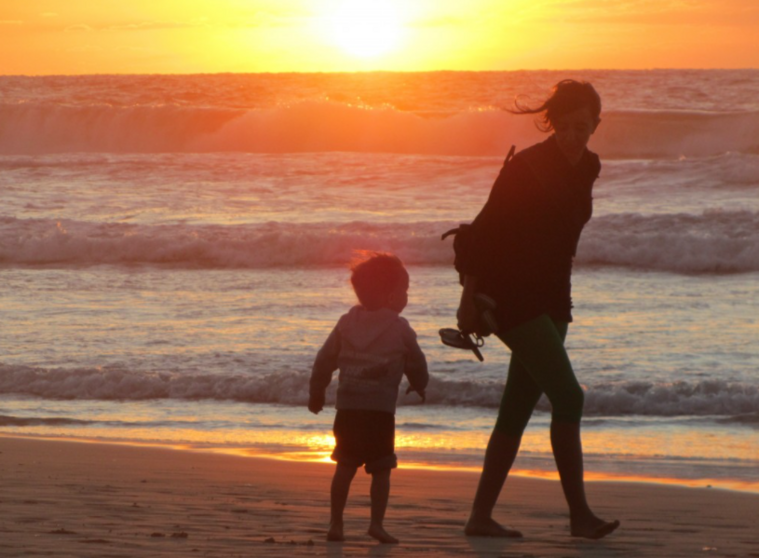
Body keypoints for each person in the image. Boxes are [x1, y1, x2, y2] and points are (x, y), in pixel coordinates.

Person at [458, 80, 620, 540]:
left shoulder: (589, 165)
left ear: (596, 126)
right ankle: (580, 516)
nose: (572, 136)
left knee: (517, 409)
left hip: (554, 297)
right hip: (512, 296)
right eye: (564, 127)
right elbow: (480, 235)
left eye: (582, 128)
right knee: (570, 397)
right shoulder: (526, 167)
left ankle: (479, 517)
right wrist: (467, 300)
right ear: (552, 124)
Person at [308, 252, 428, 544]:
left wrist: (317, 391)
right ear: (390, 296)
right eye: (405, 290)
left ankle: (336, 523)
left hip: (348, 409)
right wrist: (419, 384)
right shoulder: (400, 328)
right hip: (379, 413)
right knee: (382, 468)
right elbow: (416, 361)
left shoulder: (346, 324)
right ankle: (376, 523)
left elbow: (324, 360)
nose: (407, 296)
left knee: (344, 466)